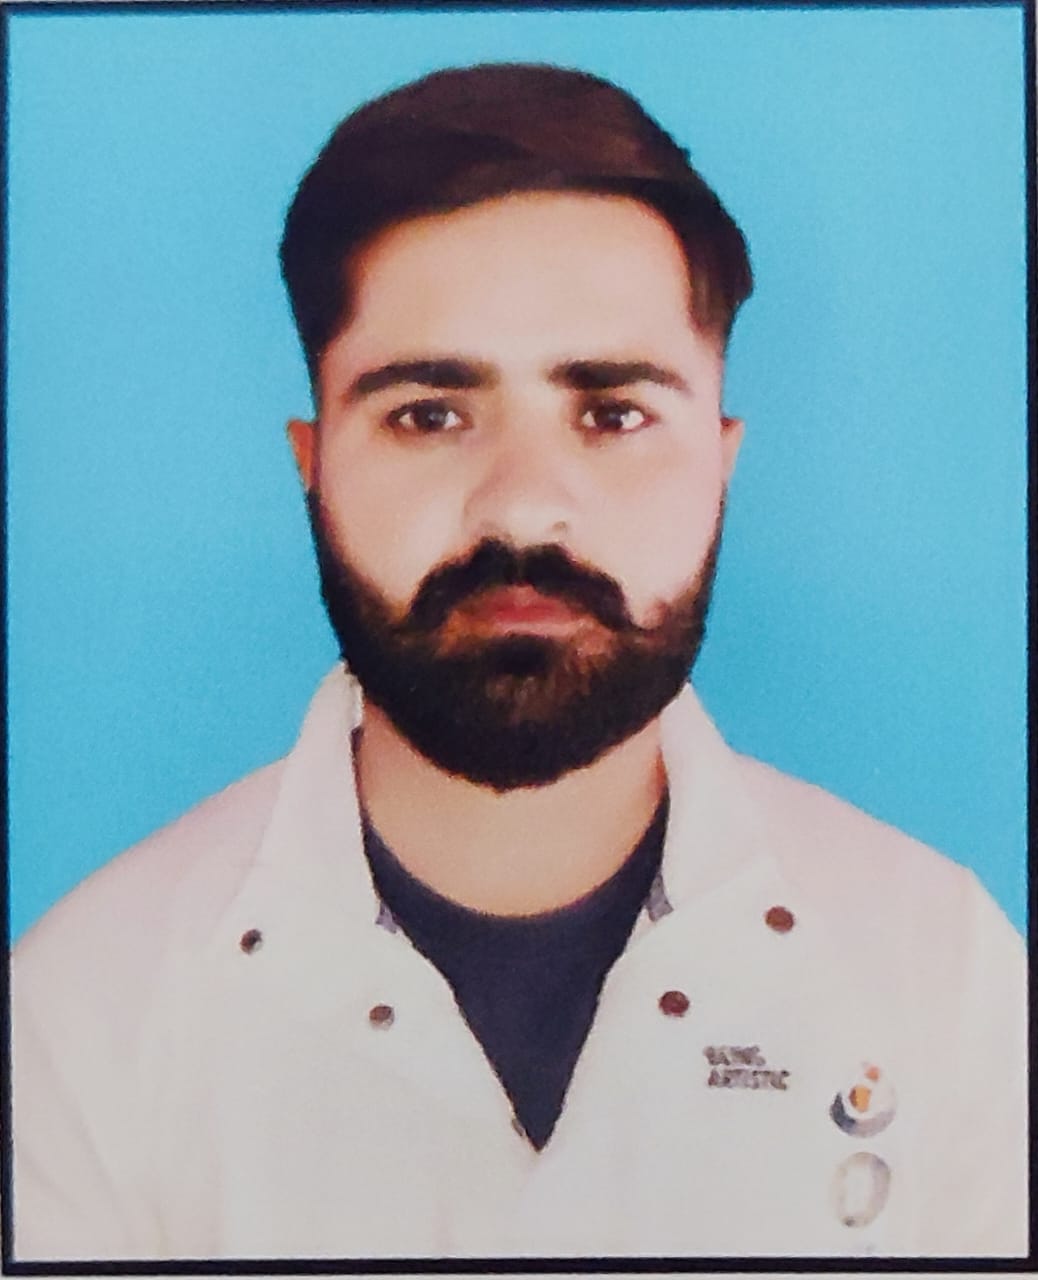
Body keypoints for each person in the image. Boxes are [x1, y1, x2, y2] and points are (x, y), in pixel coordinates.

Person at [10, 63, 1027, 1262]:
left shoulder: (940, 973)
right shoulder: (82, 1015)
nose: (525, 508)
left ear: (721, 459)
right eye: (428, 413)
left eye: (613, 412)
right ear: (313, 462)